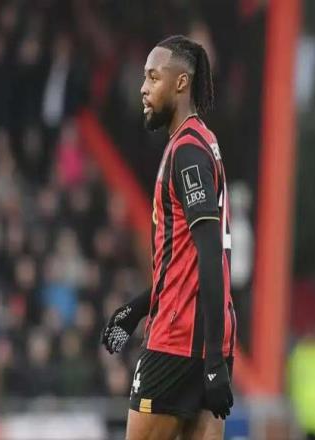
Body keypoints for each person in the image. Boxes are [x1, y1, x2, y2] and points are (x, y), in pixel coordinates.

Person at [101, 35, 236, 440]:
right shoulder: (202, 142)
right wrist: (138, 308)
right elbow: (187, 260)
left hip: (177, 342)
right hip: (208, 338)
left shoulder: (187, 152)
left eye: (153, 77)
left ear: (180, 83)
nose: (143, 88)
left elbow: (210, 253)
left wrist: (212, 361)